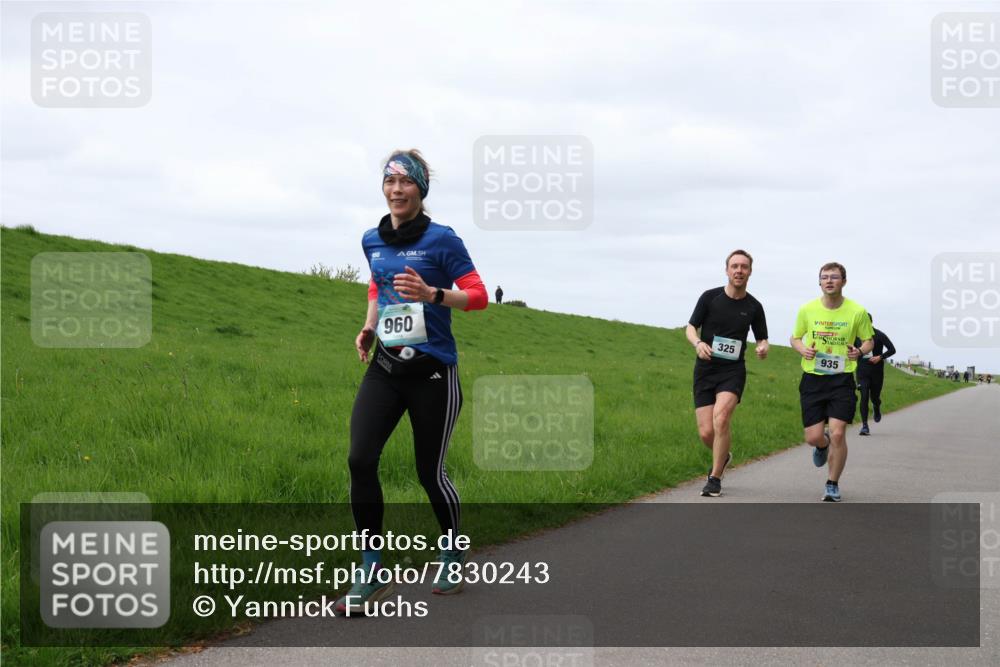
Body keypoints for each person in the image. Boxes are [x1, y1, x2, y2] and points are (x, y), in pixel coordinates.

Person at [337, 149, 488, 615]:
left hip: (433, 374)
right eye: (390, 182)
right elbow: (377, 285)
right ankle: (372, 570)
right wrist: (369, 324)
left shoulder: (443, 241)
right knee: (360, 460)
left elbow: (479, 297)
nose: (396, 190)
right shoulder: (371, 238)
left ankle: (452, 549)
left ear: (421, 189)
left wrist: (433, 294)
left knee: (429, 472)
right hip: (385, 368)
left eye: (406, 182)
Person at [686, 249, 769, 497]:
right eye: (735, 266)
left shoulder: (754, 306)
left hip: (732, 371)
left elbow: (762, 338)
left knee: (721, 419)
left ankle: (715, 478)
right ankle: (724, 456)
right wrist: (698, 343)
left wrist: (763, 347)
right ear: (727, 270)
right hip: (705, 369)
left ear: (750, 272)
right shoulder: (709, 298)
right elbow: (691, 328)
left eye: (744, 267)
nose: (739, 270)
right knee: (705, 432)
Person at [790, 262, 874, 502]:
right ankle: (821, 444)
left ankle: (832, 483)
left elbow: (869, 341)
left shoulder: (857, 311)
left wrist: (859, 350)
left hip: (842, 379)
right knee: (813, 437)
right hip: (813, 379)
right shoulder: (807, 310)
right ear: (819, 282)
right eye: (824, 277)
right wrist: (803, 349)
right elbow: (795, 338)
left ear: (844, 282)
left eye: (834, 277)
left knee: (838, 434)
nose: (829, 281)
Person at [855, 313, 896, 436]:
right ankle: (864, 426)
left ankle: (876, 406)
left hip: (876, 371)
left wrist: (880, 357)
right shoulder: (856, 336)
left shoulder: (879, 335)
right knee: (864, 396)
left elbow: (892, 349)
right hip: (862, 371)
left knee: (874, 397)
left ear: (870, 322)